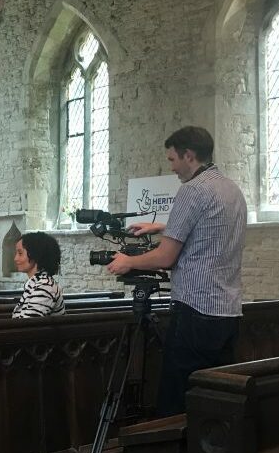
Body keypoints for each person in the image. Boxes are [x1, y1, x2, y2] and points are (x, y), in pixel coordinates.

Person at [106, 126, 247, 417]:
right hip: (227, 311)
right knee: (215, 397)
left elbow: (166, 257)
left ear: (189, 156)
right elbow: (209, 229)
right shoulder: (231, 189)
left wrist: (128, 261)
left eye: (172, 160)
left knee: (178, 399)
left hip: (195, 311)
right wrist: (160, 226)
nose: (172, 168)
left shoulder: (192, 190)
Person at [12, 231, 65, 318]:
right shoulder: (37, 283)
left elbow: (27, 326)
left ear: (35, 254)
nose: (15, 258)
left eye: (20, 253)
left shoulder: (45, 286)